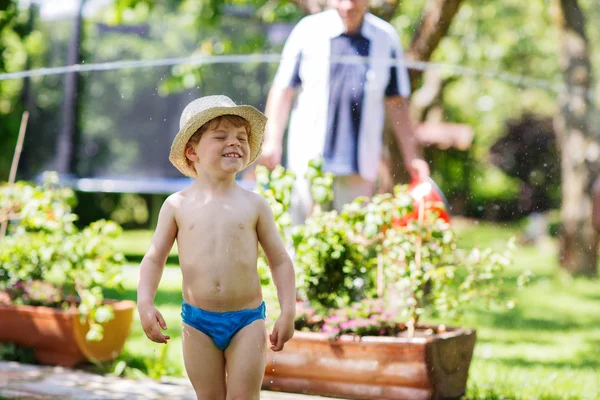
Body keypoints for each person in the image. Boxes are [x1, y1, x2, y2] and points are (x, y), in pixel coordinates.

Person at [137, 95, 296, 399]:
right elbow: (155, 258)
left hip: (247, 321)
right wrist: (145, 302)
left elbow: (279, 261)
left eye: (241, 137)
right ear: (191, 150)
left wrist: (287, 311)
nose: (234, 142)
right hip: (197, 323)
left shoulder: (254, 205)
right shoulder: (177, 205)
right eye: (221, 136)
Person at [259, 0, 430, 223]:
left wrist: (412, 156)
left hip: (360, 166)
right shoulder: (308, 31)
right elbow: (283, 90)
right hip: (309, 161)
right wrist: (272, 141)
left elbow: (397, 102)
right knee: (301, 236)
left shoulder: (385, 38)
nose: (348, 6)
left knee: (353, 239)